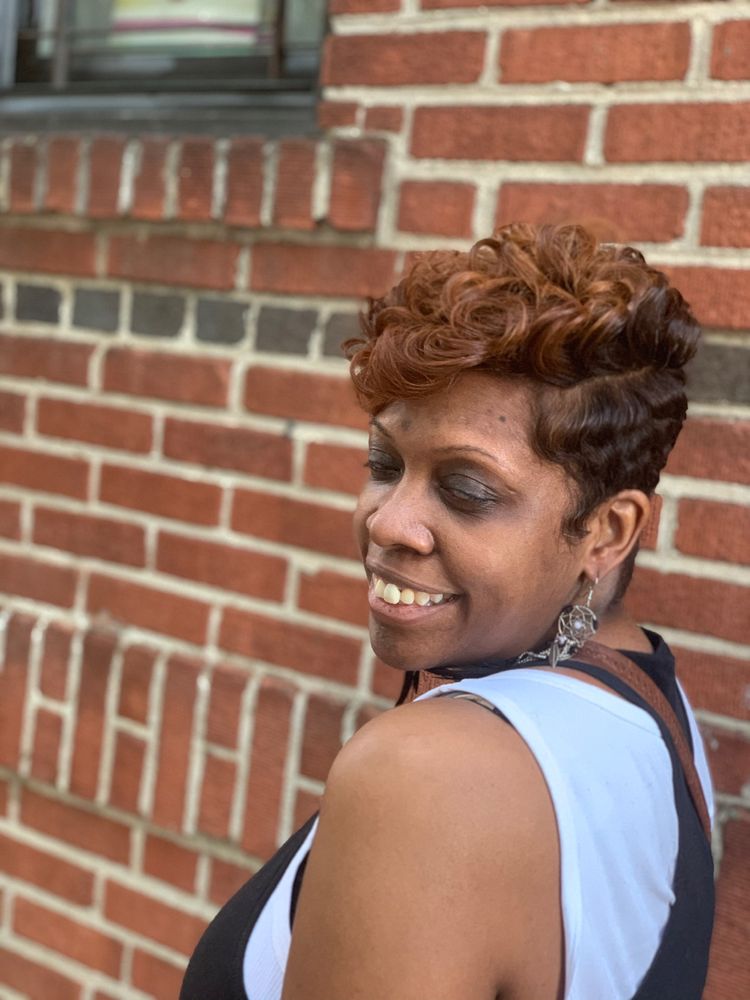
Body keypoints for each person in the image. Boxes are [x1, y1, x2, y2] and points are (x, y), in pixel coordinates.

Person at [181, 223, 715, 1000]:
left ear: (607, 531)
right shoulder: (654, 712)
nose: (389, 522)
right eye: (383, 463)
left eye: (466, 490)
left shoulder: (428, 776)